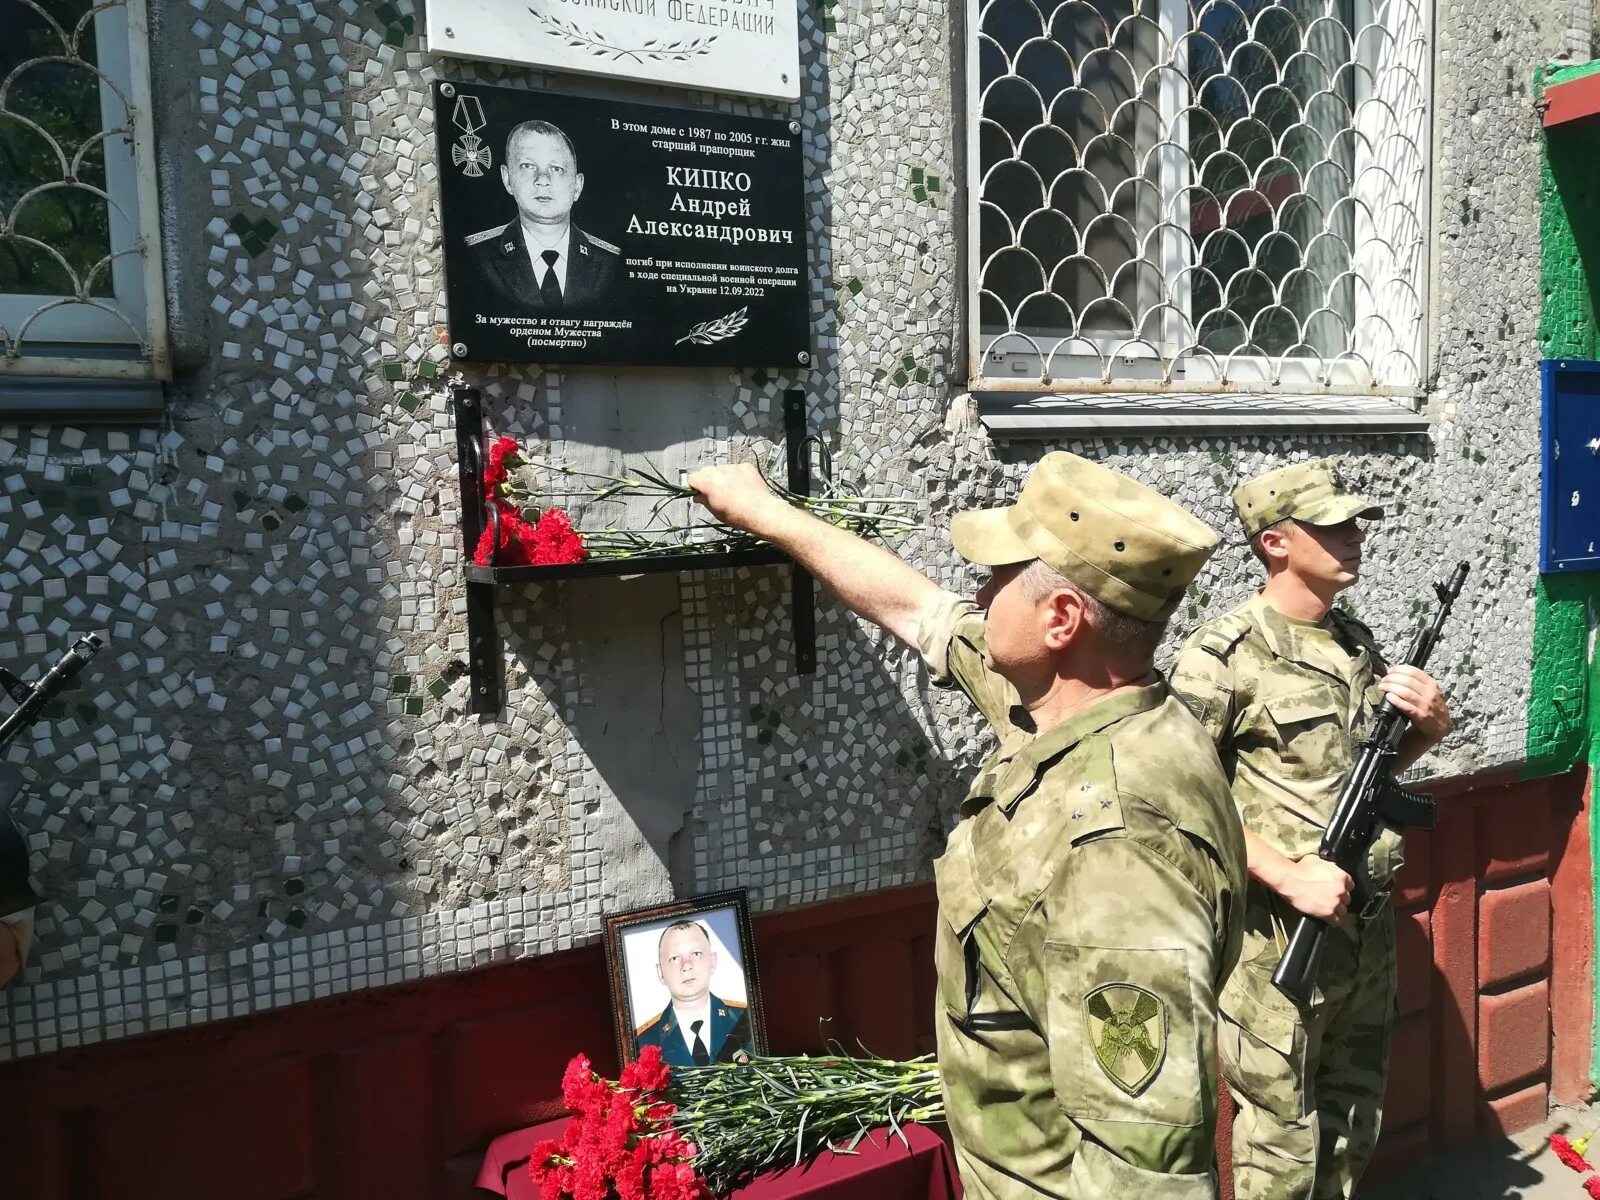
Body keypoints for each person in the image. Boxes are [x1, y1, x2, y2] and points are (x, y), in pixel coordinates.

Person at [689, 453, 1247, 1197]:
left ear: (1061, 619)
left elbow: (1145, 1171)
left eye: (1000, 576)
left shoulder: (1120, 853)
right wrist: (766, 512)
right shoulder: (1071, 704)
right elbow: (921, 610)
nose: (980, 595)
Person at [1169, 459, 1453, 1200]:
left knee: (1352, 1126)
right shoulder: (1223, 655)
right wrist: (1285, 872)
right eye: (1331, 526)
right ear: (1275, 543)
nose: (1353, 537)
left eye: (1354, 523)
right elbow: (1173, 795)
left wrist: (1425, 731)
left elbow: (1367, 771)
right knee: (1282, 1144)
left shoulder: (1355, 642)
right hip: (1275, 945)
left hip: (1363, 934)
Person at [462, 119, 620, 313]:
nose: (543, 180)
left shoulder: (611, 263)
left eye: (556, 169)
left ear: (577, 186)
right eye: (528, 166)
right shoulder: (476, 256)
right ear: (507, 178)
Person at [633, 920, 753, 1067]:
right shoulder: (644, 1042)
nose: (687, 966)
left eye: (696, 954)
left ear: (712, 961)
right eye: (675, 958)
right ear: (660, 973)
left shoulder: (746, 1019)